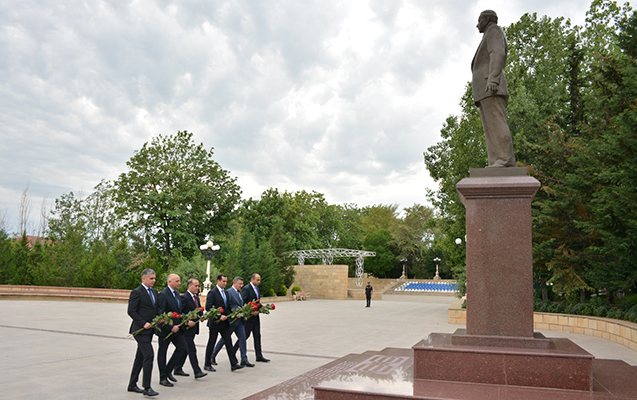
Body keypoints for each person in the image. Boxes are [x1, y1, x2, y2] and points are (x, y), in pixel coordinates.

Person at [471, 9, 516, 168]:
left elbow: (497, 53)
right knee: (490, 129)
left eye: (479, 20)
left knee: (496, 123)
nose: (477, 25)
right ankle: (496, 160)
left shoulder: (494, 31)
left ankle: (504, 159)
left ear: (487, 19)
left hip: (490, 86)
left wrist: (493, 80)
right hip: (484, 90)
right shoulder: (487, 34)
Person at [127, 268, 160, 397]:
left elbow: (155, 308)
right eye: (151, 278)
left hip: (150, 330)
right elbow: (131, 311)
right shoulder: (137, 292)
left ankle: (132, 384)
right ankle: (147, 387)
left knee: (140, 357)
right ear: (144, 278)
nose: (154, 280)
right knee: (149, 355)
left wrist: (159, 318)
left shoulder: (154, 292)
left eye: (154, 278)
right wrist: (143, 323)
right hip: (140, 331)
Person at [204, 274, 244, 371]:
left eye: (226, 281)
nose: (225, 283)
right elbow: (208, 307)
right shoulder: (212, 293)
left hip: (224, 323)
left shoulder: (226, 293)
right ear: (218, 281)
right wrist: (219, 316)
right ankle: (207, 364)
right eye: (223, 281)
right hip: (215, 323)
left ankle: (233, 364)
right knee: (211, 343)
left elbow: (228, 306)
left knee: (228, 342)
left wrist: (234, 313)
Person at [211, 277, 254, 367]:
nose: (241, 286)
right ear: (234, 283)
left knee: (243, 338)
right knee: (224, 340)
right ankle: (212, 355)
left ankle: (244, 359)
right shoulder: (229, 292)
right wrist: (235, 313)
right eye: (240, 284)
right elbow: (228, 305)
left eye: (242, 284)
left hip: (240, 321)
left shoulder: (239, 293)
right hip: (232, 321)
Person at [156, 274, 188, 388]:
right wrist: (170, 327)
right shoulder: (163, 295)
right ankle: (163, 377)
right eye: (177, 281)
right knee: (162, 352)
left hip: (177, 328)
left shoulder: (177, 294)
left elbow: (179, 311)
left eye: (179, 281)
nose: (179, 283)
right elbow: (161, 313)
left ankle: (168, 370)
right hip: (166, 330)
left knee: (183, 348)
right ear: (170, 282)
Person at [173, 278, 207, 379]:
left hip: (193, 328)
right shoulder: (184, 298)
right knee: (191, 349)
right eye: (195, 286)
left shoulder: (196, 297)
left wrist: (201, 315)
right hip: (186, 329)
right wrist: (187, 321)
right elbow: (180, 313)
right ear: (189, 286)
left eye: (198, 286)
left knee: (185, 349)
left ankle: (178, 368)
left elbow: (199, 308)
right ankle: (197, 371)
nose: (197, 288)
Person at [236, 273, 270, 362]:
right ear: (252, 279)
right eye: (257, 280)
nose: (259, 282)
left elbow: (257, 302)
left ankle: (259, 355)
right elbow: (243, 302)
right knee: (245, 336)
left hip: (256, 317)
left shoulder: (257, 289)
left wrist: (262, 307)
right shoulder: (246, 288)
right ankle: (233, 351)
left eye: (259, 280)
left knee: (257, 335)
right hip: (249, 317)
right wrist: (251, 311)